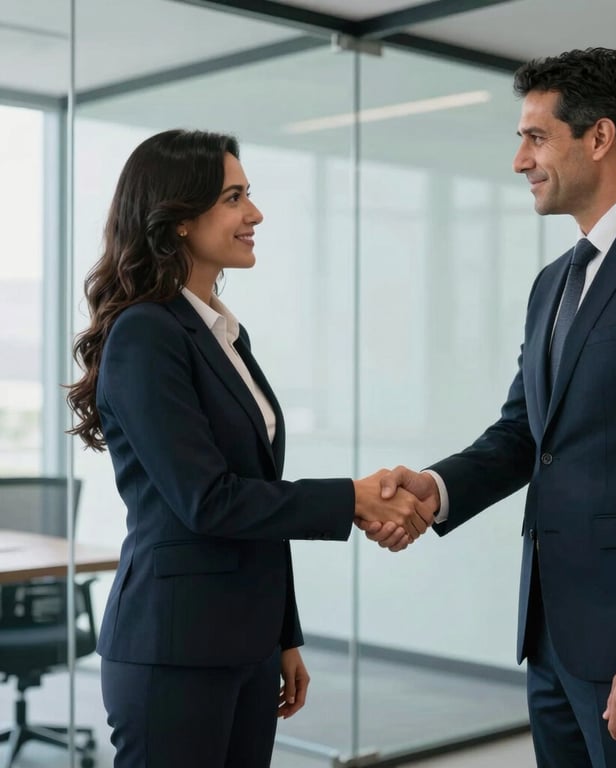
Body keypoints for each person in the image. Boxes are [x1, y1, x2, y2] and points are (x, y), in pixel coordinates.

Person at [360, 48, 616, 767]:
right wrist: (437, 489)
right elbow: (523, 434)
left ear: (599, 138)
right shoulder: (555, 281)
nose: (519, 160)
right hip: (552, 636)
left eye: (535, 137)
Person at [67, 128, 432, 768]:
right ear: (178, 219)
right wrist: (350, 498)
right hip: (174, 646)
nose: (254, 214)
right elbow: (207, 500)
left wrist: (282, 635)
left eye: (248, 195)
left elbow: (254, 492)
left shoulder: (223, 335)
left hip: (246, 641)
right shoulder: (147, 334)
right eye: (234, 198)